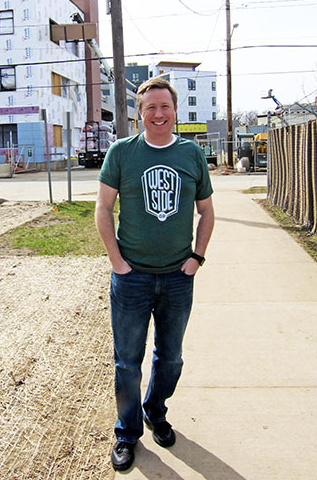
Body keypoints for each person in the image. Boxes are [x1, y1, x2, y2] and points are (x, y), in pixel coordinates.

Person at [95, 77, 215, 471]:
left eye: (165, 107)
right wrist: (117, 263)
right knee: (127, 361)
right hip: (132, 278)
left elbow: (207, 211)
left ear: (175, 110)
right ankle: (127, 434)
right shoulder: (121, 153)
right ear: (139, 113)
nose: (158, 114)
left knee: (171, 359)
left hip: (178, 277)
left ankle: (155, 412)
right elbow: (103, 210)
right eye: (150, 108)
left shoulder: (192, 154)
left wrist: (196, 257)